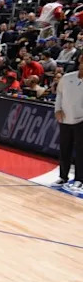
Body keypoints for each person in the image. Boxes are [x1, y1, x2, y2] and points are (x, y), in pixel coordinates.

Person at [54, 59, 83, 189]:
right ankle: (63, 176)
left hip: (81, 120)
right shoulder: (67, 77)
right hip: (65, 118)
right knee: (65, 148)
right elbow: (59, 94)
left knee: (81, 151)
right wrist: (57, 109)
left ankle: (80, 179)